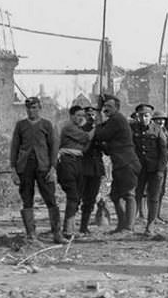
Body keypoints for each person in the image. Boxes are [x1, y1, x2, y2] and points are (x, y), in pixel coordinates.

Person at [10, 96, 60, 243]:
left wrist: (53, 168)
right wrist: (13, 169)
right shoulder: (21, 125)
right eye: (29, 108)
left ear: (40, 108)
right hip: (25, 168)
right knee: (27, 199)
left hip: (43, 167)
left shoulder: (46, 125)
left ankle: (57, 233)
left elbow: (54, 147)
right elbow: (14, 148)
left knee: (50, 198)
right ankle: (31, 234)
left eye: (34, 108)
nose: (31, 111)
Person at [93, 95, 141, 235]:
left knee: (128, 195)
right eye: (105, 106)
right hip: (120, 164)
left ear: (117, 108)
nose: (106, 109)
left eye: (109, 106)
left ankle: (128, 227)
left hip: (127, 163)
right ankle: (122, 225)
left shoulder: (117, 120)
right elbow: (107, 147)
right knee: (115, 196)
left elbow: (101, 135)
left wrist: (97, 121)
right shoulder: (113, 121)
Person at [131, 104, 168, 238]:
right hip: (138, 169)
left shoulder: (158, 130)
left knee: (153, 197)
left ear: (151, 117)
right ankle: (130, 225)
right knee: (136, 196)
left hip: (154, 170)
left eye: (146, 116)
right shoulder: (132, 129)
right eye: (140, 116)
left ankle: (150, 226)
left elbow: (164, 152)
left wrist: (160, 170)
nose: (143, 118)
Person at [56, 105, 93, 239]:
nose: (81, 118)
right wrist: (97, 127)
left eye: (82, 116)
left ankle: (69, 228)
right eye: (78, 115)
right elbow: (86, 138)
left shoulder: (77, 129)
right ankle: (67, 230)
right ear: (71, 116)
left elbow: (85, 147)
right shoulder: (69, 128)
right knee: (73, 196)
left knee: (76, 197)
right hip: (67, 163)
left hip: (78, 162)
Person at [78, 105, 106, 235]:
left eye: (93, 115)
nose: (91, 117)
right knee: (79, 198)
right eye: (88, 115)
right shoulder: (79, 130)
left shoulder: (100, 131)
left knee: (91, 198)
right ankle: (73, 226)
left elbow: (106, 150)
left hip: (96, 168)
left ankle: (84, 226)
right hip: (83, 167)